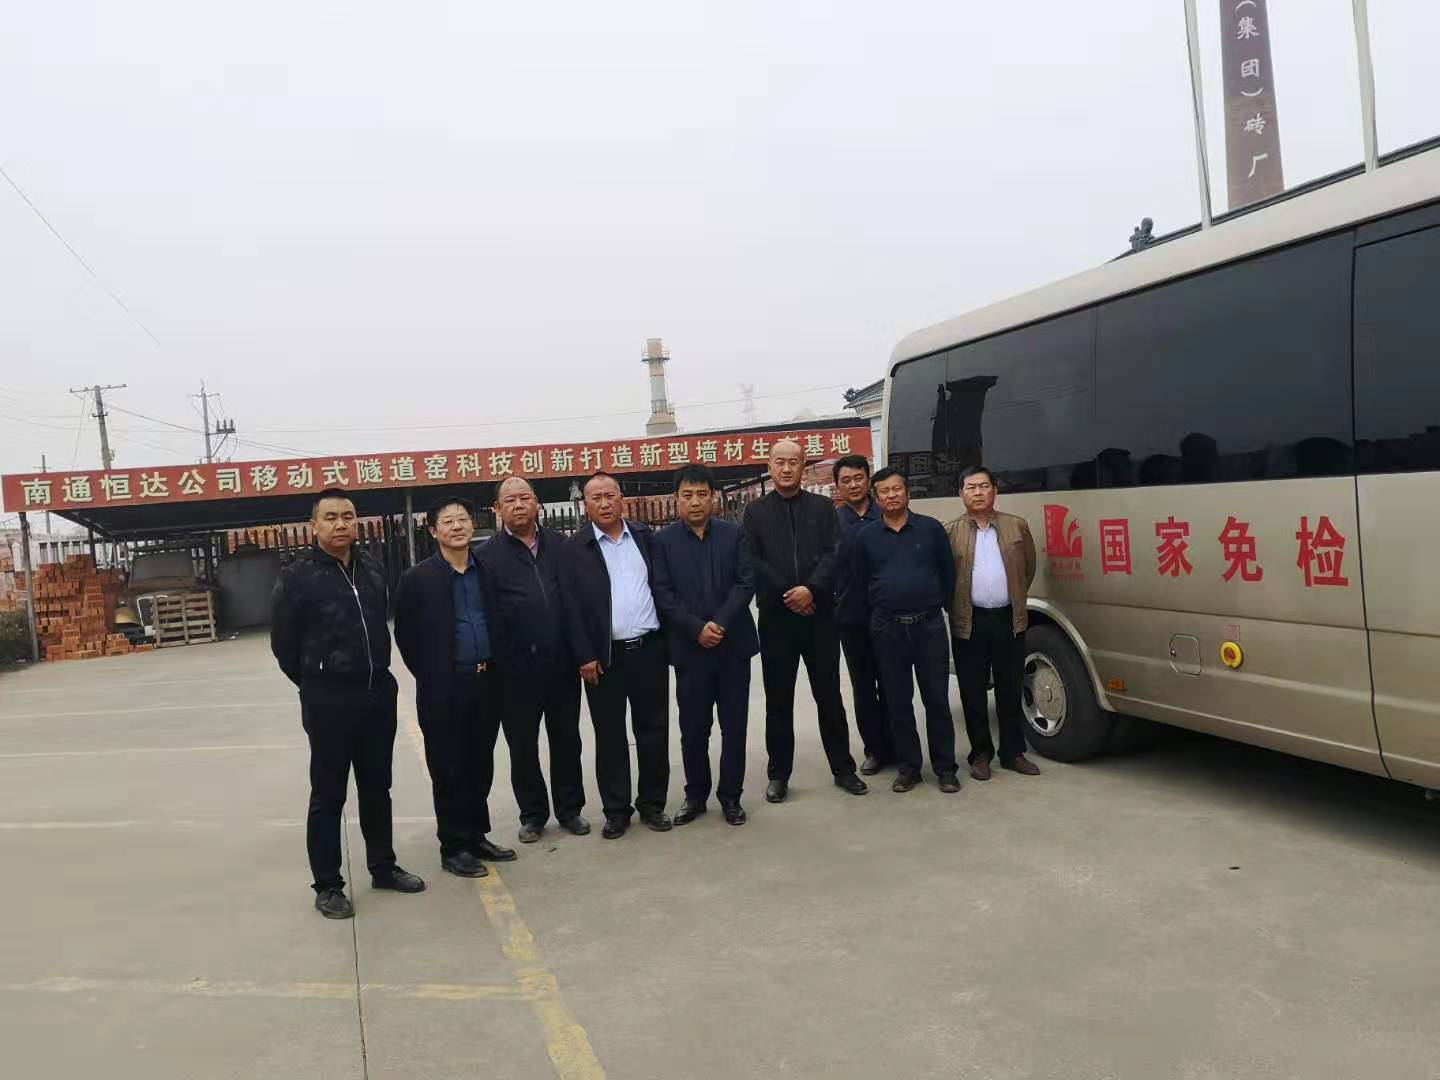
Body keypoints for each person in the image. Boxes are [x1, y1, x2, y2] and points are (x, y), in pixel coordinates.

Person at [271, 488, 425, 919]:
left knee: (377, 787)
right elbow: (283, 646)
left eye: (348, 516)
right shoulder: (297, 576)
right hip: (329, 701)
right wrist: (317, 682)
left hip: (377, 696)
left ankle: (383, 866)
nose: (341, 524)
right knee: (329, 794)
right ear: (314, 525)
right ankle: (328, 885)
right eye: (331, 517)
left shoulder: (371, 568)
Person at [394, 496, 517, 880]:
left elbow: (503, 622)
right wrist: (433, 675)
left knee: (480, 764)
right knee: (449, 768)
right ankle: (453, 847)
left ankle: (476, 836)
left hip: (488, 680)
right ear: (434, 531)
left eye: (462, 519)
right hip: (445, 687)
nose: (457, 526)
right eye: (447, 521)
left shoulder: (488, 571)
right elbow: (406, 636)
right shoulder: (418, 579)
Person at [742, 439, 867, 803]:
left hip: (819, 617)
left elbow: (834, 552)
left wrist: (811, 589)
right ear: (769, 466)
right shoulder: (755, 512)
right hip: (777, 619)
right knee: (778, 700)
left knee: (829, 695)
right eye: (779, 462)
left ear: (803, 466)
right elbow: (753, 559)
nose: (786, 468)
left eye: (793, 462)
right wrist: (790, 593)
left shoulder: (823, 507)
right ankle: (778, 774)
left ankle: (843, 768)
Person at [476, 476, 588, 844]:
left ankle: (570, 809)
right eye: (510, 500)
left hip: (561, 664)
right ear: (498, 509)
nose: (519, 505)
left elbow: (575, 602)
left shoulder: (561, 545)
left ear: (537, 503)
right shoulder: (487, 556)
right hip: (515, 671)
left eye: (525, 497)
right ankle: (533, 815)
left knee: (567, 739)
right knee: (523, 746)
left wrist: (582, 653)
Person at [560, 471, 672, 839]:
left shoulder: (644, 536)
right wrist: (584, 654)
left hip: (649, 650)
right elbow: (570, 608)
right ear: (586, 505)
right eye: (596, 497)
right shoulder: (575, 549)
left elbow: (662, 588)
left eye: (610, 495)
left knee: (653, 730)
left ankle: (653, 804)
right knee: (609, 736)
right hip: (603, 659)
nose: (605, 503)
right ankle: (616, 810)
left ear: (621, 498)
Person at [651, 464, 758, 827]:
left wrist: (720, 623)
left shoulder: (734, 535)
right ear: (676, 499)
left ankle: (731, 797)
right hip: (690, 650)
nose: (695, 502)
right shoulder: (663, 542)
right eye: (687, 495)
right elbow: (663, 594)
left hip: (733, 648)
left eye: (701, 494)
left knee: (734, 726)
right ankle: (696, 795)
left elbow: (745, 583)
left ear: (713, 498)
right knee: (694, 730)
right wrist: (697, 629)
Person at [853, 469, 959, 793]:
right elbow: (860, 581)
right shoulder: (866, 537)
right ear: (876, 498)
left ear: (907, 493)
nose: (891, 495)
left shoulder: (931, 529)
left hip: (929, 625)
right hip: (888, 628)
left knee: (937, 700)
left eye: (896, 489)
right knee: (898, 702)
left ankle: (945, 768)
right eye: (884, 491)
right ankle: (909, 767)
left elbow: (948, 574)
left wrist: (937, 604)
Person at [945, 465, 1042, 780]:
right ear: (961, 493)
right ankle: (980, 754)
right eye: (970, 487)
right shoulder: (950, 531)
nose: (978, 492)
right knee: (972, 691)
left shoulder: (1016, 526)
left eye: (983, 486)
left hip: (1008, 619)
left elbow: (1028, 569)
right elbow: (945, 578)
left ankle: (1013, 753)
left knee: (1010, 688)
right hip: (969, 621)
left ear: (994, 491)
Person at [832, 453, 891, 775]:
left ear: (868, 480)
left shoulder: (887, 513)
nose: (853, 485)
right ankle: (875, 750)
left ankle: (900, 746)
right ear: (837, 486)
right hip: (851, 618)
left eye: (858, 478)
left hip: (890, 615)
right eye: (846, 480)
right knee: (864, 686)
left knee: (894, 684)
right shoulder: (832, 522)